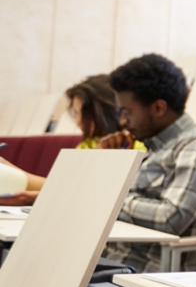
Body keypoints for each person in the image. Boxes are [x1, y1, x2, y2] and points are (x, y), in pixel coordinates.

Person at [101, 53, 196, 273]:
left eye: (127, 112)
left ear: (159, 108)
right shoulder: (152, 148)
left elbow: (171, 218)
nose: (122, 122)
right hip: (115, 261)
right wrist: (108, 163)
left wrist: (108, 199)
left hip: (148, 273)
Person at [0, 74, 145, 206]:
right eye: (76, 114)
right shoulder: (86, 144)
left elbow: (72, 190)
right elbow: (68, 186)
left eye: (81, 114)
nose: (78, 122)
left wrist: (11, 170)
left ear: (102, 112)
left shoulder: (134, 146)